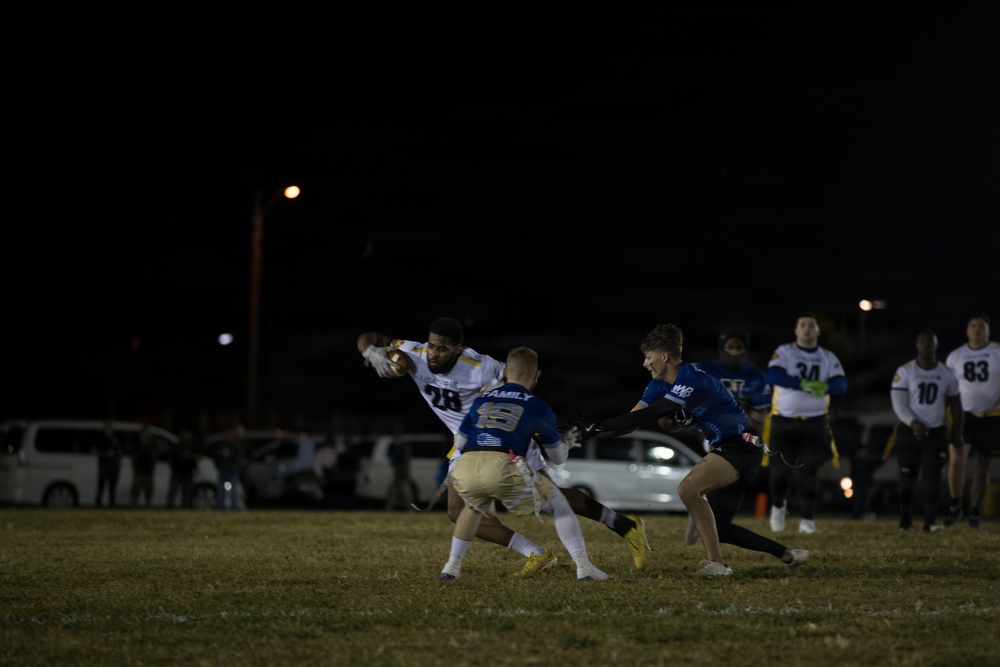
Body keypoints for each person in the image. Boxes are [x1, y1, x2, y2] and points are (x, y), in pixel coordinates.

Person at [358, 317, 650, 575]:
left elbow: (519, 382)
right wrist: (372, 352)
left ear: (458, 348)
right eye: (432, 346)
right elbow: (369, 337)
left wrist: (531, 424)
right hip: (468, 441)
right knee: (457, 512)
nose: (434, 353)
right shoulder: (414, 352)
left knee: (550, 500)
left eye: (442, 348)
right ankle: (536, 553)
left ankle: (622, 527)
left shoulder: (480, 366)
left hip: (503, 436)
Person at [574, 323, 808, 576]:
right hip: (731, 448)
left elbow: (652, 414)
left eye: (648, 357)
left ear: (664, 356)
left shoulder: (692, 379)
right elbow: (632, 422)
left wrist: (598, 425)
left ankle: (717, 564)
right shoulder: (658, 385)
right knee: (720, 528)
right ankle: (787, 554)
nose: (645, 363)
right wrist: (585, 434)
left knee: (688, 489)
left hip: (740, 446)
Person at [440, 346, 607, 581]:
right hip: (501, 464)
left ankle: (450, 568)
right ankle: (584, 567)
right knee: (558, 504)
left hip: (465, 466)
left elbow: (460, 441)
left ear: (505, 371)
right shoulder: (537, 405)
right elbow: (558, 458)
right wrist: (568, 441)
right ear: (536, 375)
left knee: (473, 507)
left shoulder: (482, 399)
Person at [681, 327, 772, 545]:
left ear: (746, 349)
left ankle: (702, 506)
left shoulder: (756, 375)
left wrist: (745, 411)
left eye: (739, 347)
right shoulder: (704, 369)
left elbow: (762, 415)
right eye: (730, 347)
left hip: (741, 432)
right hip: (710, 429)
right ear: (722, 348)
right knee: (716, 466)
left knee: (722, 481)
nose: (734, 352)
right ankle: (702, 505)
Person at [765, 311, 848, 535]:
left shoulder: (828, 357)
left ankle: (807, 520)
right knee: (780, 473)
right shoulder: (785, 351)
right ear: (796, 330)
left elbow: (841, 384)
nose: (807, 328)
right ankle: (778, 507)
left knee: (810, 471)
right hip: (783, 420)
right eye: (803, 325)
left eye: (811, 325)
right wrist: (805, 384)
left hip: (815, 422)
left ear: (818, 331)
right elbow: (773, 376)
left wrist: (824, 387)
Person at [890, 329, 964, 533]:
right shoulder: (905, 371)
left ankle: (929, 522)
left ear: (936, 345)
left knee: (932, 479)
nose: (926, 345)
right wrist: (913, 423)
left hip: (936, 432)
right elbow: (898, 404)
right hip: (909, 432)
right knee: (907, 478)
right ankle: (905, 521)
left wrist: (957, 431)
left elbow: (956, 404)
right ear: (917, 344)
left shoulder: (946, 373)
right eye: (922, 341)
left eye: (930, 342)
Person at [943, 313, 1000, 529]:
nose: (977, 330)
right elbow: (947, 387)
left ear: (988, 331)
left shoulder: (997, 352)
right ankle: (955, 507)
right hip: (964, 416)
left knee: (983, 466)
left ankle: (975, 511)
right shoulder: (955, 356)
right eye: (973, 326)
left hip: (992, 416)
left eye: (981, 326)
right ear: (967, 330)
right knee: (956, 459)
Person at [212, 424, 246, 510]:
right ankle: (220, 506)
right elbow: (217, 457)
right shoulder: (221, 446)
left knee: (234, 490)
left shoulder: (235, 445)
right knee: (220, 490)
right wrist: (218, 465)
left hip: (232, 470)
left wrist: (232, 459)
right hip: (222, 470)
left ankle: (234, 506)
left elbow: (238, 457)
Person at [167, 428, 200, 508]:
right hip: (177, 472)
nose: (186, 436)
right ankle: (170, 507)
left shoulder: (192, 446)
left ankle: (185, 507)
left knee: (187, 492)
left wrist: (195, 468)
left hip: (188, 473)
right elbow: (171, 459)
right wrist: (173, 470)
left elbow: (195, 459)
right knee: (173, 491)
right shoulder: (176, 446)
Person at [93, 418, 122, 507]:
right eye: (108, 424)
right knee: (101, 485)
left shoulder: (115, 437)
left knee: (112, 486)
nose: (109, 426)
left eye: (111, 424)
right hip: (103, 465)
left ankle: (112, 504)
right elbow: (93, 450)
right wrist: (105, 454)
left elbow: (120, 451)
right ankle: (98, 504)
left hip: (113, 465)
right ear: (104, 425)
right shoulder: (100, 437)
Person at [130, 424, 157, 508]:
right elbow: (134, 458)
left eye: (146, 434)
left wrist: (152, 469)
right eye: (143, 434)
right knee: (136, 488)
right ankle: (134, 504)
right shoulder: (137, 445)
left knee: (149, 489)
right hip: (139, 470)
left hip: (148, 471)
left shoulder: (152, 446)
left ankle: (148, 504)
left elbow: (154, 458)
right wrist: (135, 469)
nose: (144, 436)